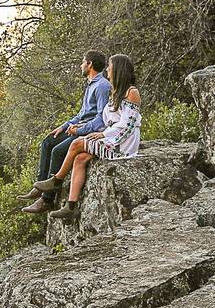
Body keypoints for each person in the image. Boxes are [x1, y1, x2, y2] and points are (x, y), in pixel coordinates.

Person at [32, 53, 142, 221]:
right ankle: (71, 206)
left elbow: (127, 126)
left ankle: (57, 179)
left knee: (77, 144)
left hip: (122, 144)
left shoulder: (131, 93)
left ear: (118, 70)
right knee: (80, 158)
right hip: (111, 137)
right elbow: (106, 118)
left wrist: (102, 134)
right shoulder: (115, 93)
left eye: (110, 68)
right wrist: (79, 127)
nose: (108, 71)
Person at [17, 50, 111, 214]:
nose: (81, 65)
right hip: (78, 127)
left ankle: (46, 200)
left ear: (90, 65)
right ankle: (39, 186)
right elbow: (81, 114)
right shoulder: (91, 85)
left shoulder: (102, 86)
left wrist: (79, 129)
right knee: (47, 141)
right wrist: (64, 125)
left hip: (87, 131)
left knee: (58, 151)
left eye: (83, 62)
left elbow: (101, 118)